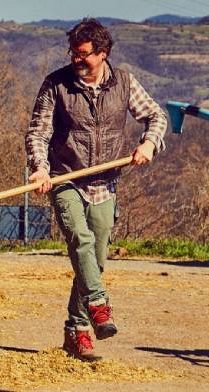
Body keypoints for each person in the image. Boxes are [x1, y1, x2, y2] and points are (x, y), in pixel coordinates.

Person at [25, 18, 167, 361]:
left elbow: (156, 116)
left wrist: (148, 144)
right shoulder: (56, 85)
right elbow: (38, 132)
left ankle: (77, 330)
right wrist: (40, 168)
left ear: (103, 54)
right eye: (73, 53)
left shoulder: (124, 83)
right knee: (81, 241)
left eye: (84, 54)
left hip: (105, 182)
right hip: (65, 178)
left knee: (94, 260)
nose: (76, 59)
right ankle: (100, 306)